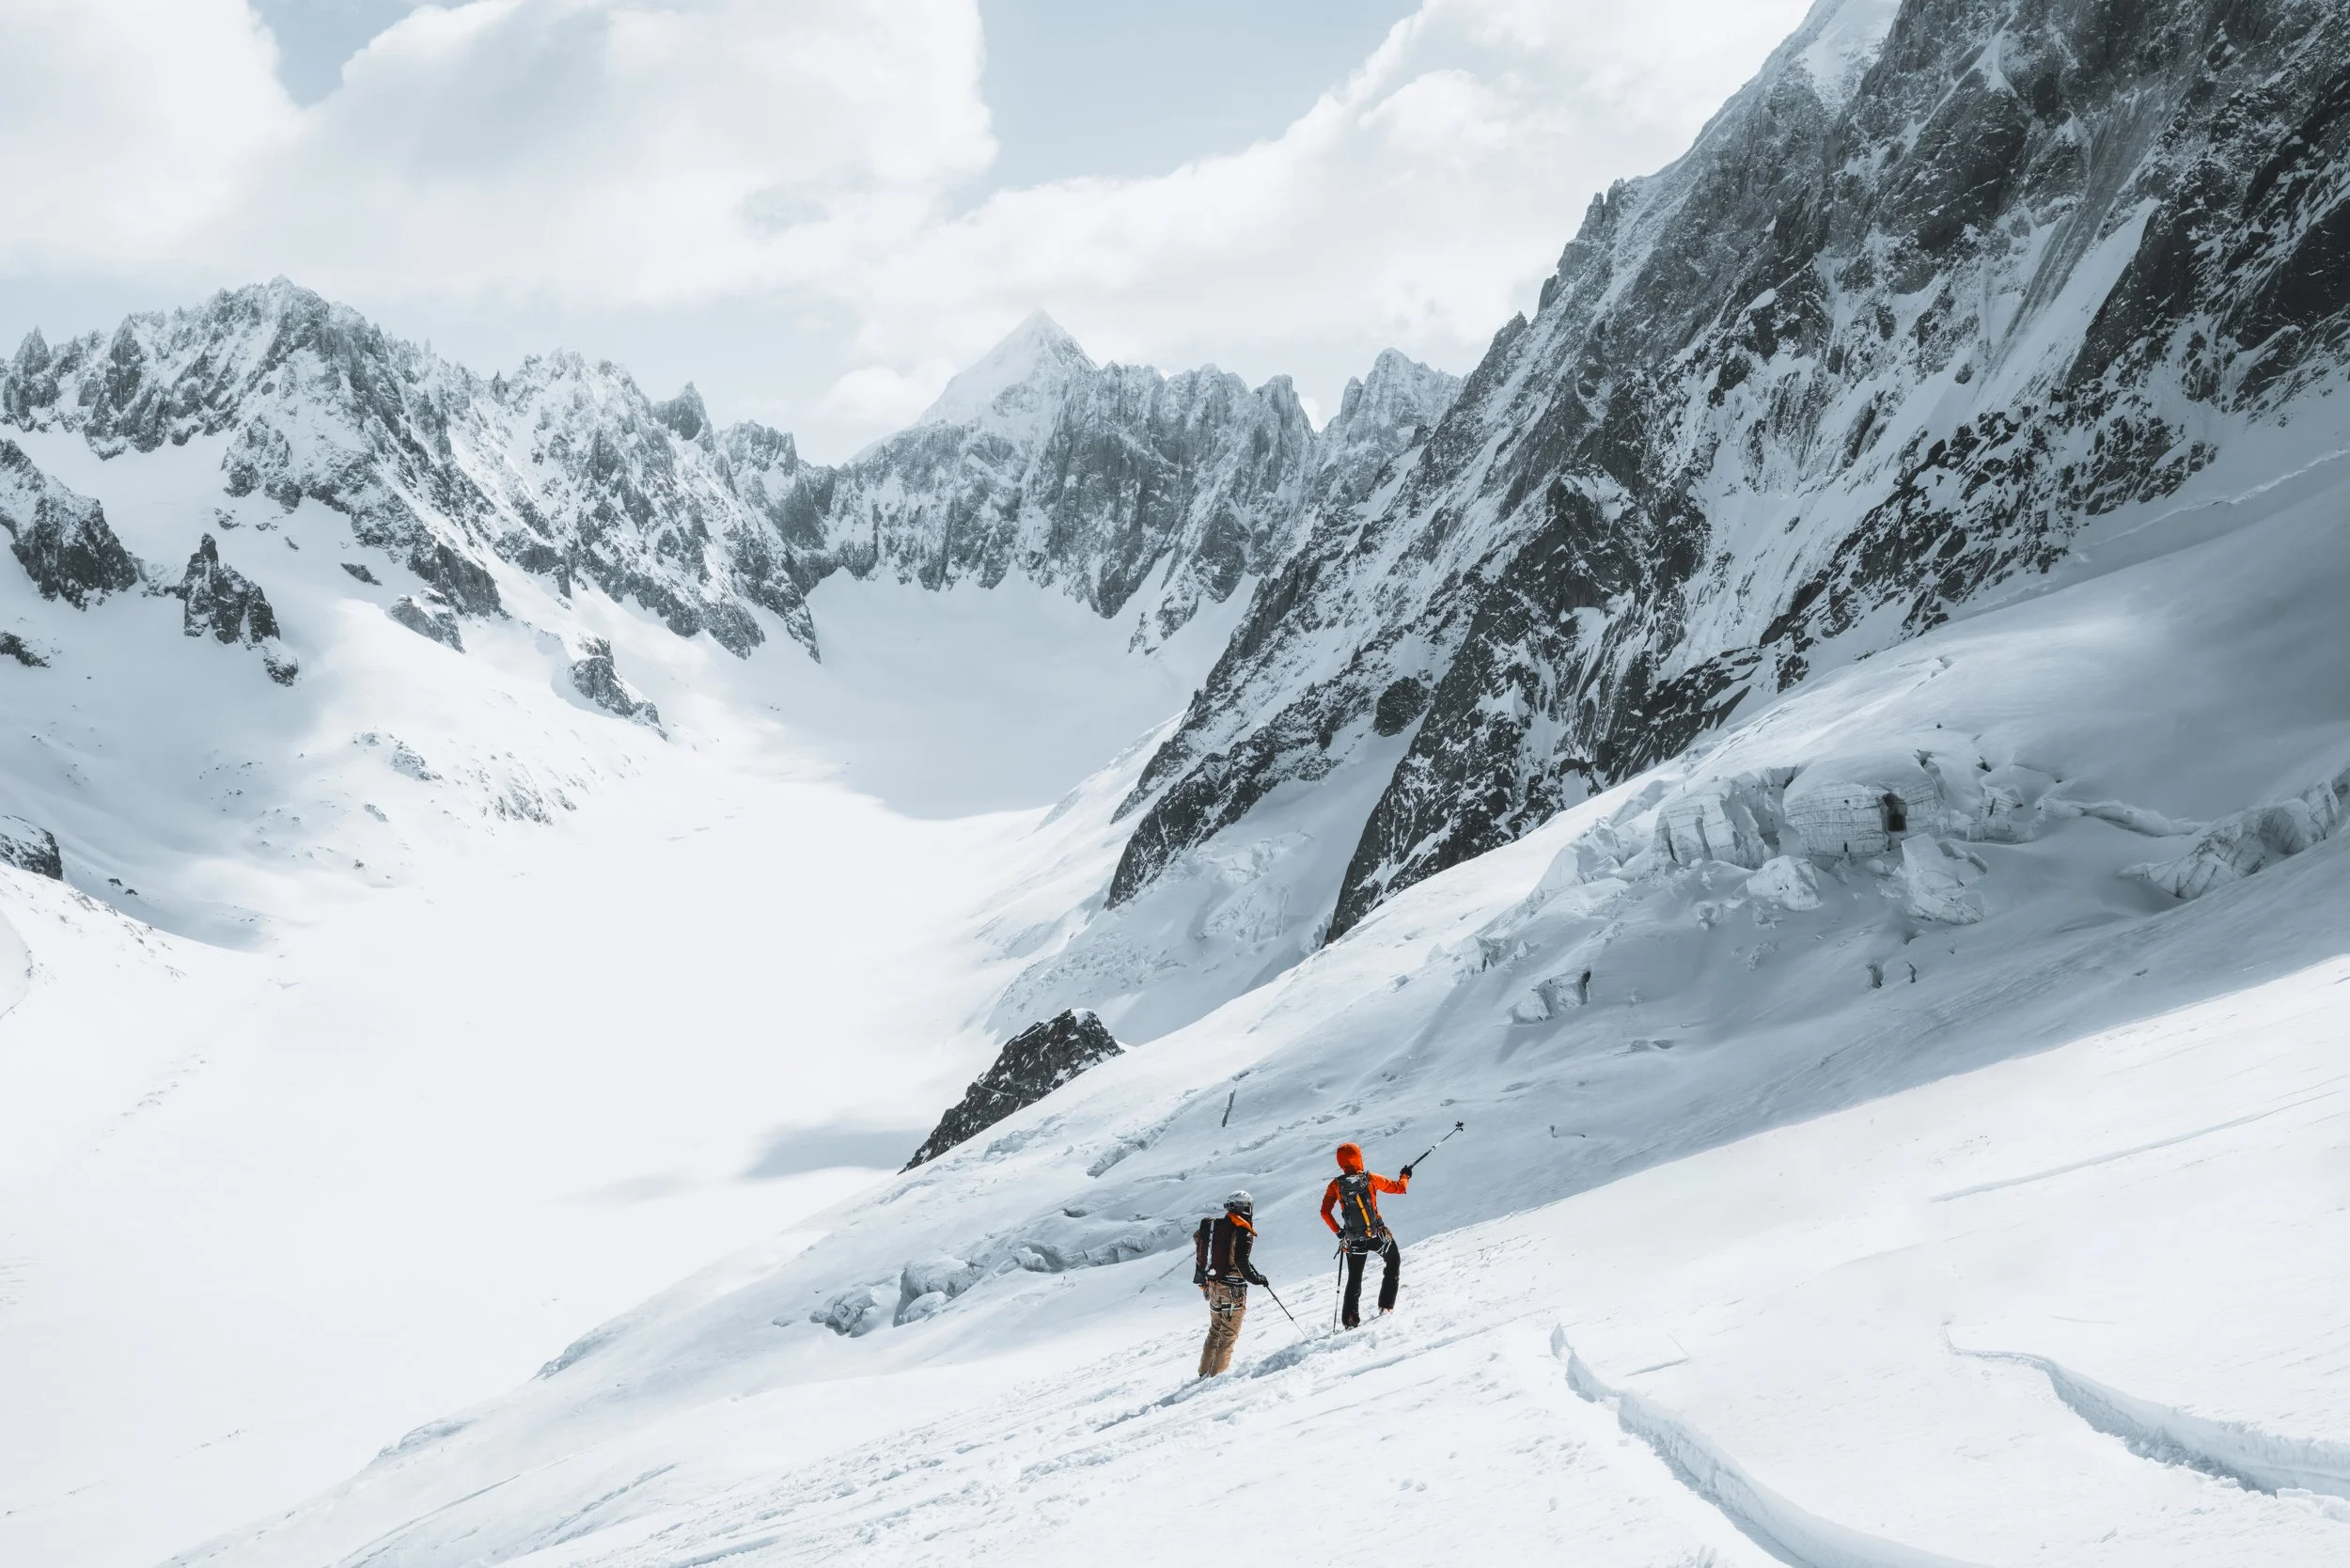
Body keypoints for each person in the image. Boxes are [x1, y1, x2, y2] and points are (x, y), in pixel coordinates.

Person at [1320, 1141, 1410, 1328]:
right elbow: (1399, 1188)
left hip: (1354, 1239)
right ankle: (1386, 1306)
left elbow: (1325, 1212)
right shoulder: (1370, 1179)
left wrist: (1339, 1233)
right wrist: (1405, 1176)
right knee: (1393, 1261)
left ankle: (1351, 1322)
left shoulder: (1335, 1185)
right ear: (1359, 1158)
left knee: (1354, 1278)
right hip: (1377, 1234)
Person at [1194, 1190, 1268, 1376]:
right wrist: (1256, 1279)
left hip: (1213, 1285)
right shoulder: (1242, 1231)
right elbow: (1241, 1262)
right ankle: (1216, 1378)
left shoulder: (1217, 1227)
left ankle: (1204, 1373)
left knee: (1215, 1330)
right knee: (1228, 1335)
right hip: (1233, 1289)